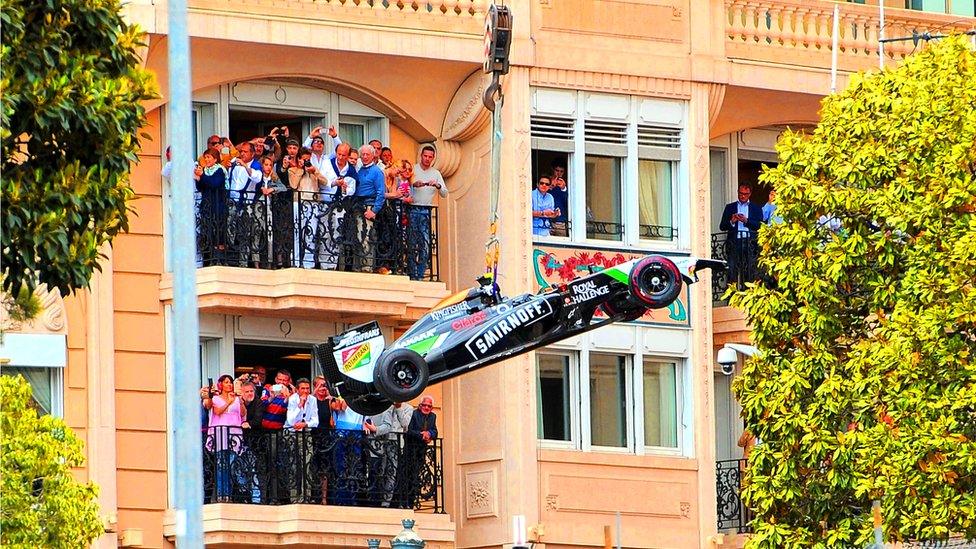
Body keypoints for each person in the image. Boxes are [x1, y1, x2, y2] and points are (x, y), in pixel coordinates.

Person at [201, 375, 245, 502]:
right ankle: (222, 495)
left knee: (231, 465)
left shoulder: (236, 399)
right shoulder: (216, 398)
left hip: (234, 433)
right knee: (222, 465)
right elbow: (218, 412)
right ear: (221, 385)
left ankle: (229, 494)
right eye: (226, 382)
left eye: (230, 382)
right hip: (220, 433)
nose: (229, 384)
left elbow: (242, 413)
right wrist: (229, 402)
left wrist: (239, 400)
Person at [408, 145, 448, 280]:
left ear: (433, 158)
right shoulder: (413, 169)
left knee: (425, 244)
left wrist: (437, 185)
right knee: (411, 243)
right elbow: (403, 184)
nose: (427, 159)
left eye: (430, 157)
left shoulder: (436, 173)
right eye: (425, 156)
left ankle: (419, 275)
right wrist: (414, 184)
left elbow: (444, 193)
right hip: (412, 209)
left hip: (426, 211)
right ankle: (412, 274)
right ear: (421, 156)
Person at [346, 144, 385, 272]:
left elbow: (381, 192)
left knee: (366, 236)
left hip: (369, 205)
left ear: (373, 156)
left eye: (367, 154)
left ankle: (367, 267)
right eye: (363, 154)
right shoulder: (360, 170)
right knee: (358, 237)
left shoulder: (377, 171)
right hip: (358, 205)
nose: (365, 157)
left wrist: (374, 210)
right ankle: (358, 266)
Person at [367, 401, 413, 507]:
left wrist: (398, 407)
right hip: (381, 440)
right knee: (379, 469)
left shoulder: (408, 408)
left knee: (391, 472)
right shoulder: (385, 403)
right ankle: (376, 498)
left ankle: (386, 502)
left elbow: (405, 424)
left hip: (395, 442)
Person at [320, 143, 358, 270]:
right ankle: (324, 263)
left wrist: (345, 189)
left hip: (340, 205)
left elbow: (352, 189)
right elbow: (321, 180)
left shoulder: (351, 170)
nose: (341, 157)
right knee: (325, 232)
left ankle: (333, 264)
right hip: (326, 203)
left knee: (336, 233)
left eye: (344, 155)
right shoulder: (327, 163)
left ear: (348, 156)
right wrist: (334, 183)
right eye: (339, 154)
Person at [719, 184, 763, 289]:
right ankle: (732, 296)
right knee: (732, 270)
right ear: (737, 192)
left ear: (750, 194)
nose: (743, 196)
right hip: (734, 242)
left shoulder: (756, 208)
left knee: (749, 271)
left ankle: (748, 294)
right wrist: (732, 221)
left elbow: (761, 226)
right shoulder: (730, 207)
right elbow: (722, 226)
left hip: (750, 242)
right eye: (740, 193)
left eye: (745, 194)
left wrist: (746, 221)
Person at [397, 396, 437, 509]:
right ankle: (404, 502)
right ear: (420, 406)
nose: (426, 407)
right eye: (424, 405)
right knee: (407, 476)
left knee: (416, 477)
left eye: (429, 406)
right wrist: (422, 435)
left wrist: (429, 434)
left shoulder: (433, 416)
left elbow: (435, 431)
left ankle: (412, 501)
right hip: (410, 450)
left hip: (421, 451)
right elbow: (409, 431)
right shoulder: (414, 414)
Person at [285, 378, 319, 503]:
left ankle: (306, 496)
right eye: (303, 389)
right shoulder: (293, 399)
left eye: (307, 388)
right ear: (298, 389)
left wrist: (305, 424)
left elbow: (315, 421)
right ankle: (294, 497)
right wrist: (300, 406)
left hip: (306, 434)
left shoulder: (313, 400)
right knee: (293, 466)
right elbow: (291, 421)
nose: (305, 391)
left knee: (307, 465)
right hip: (292, 435)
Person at [194, 149, 229, 264]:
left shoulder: (219, 170)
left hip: (218, 206)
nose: (207, 160)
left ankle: (220, 260)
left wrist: (202, 176)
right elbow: (201, 187)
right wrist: (198, 179)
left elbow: (214, 183)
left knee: (218, 233)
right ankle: (208, 259)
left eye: (209, 157)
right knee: (207, 232)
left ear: (215, 159)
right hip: (207, 206)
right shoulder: (205, 170)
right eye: (206, 157)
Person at [331, 397, 365, 505]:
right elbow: (342, 408)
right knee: (342, 466)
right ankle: (341, 498)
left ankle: (352, 498)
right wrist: (344, 397)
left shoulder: (362, 395)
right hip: (342, 430)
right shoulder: (341, 392)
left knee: (355, 466)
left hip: (357, 431)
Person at [548, 162, 569, 236]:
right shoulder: (546, 183)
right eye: (557, 170)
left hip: (560, 222)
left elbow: (568, 203)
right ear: (552, 170)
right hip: (547, 221)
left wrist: (563, 189)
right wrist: (550, 187)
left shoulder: (567, 184)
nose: (559, 173)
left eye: (561, 171)